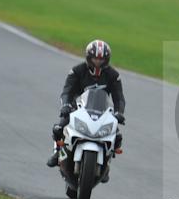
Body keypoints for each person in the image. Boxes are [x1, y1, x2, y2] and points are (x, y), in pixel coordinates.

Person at [46, 39, 126, 182]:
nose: (97, 62)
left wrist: (119, 113)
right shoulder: (77, 71)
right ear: (89, 57)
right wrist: (65, 105)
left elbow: (119, 98)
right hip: (77, 106)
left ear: (107, 59)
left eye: (101, 59)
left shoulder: (113, 75)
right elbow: (67, 92)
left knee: (117, 136)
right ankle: (57, 154)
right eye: (95, 58)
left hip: (101, 110)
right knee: (59, 128)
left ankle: (106, 163)